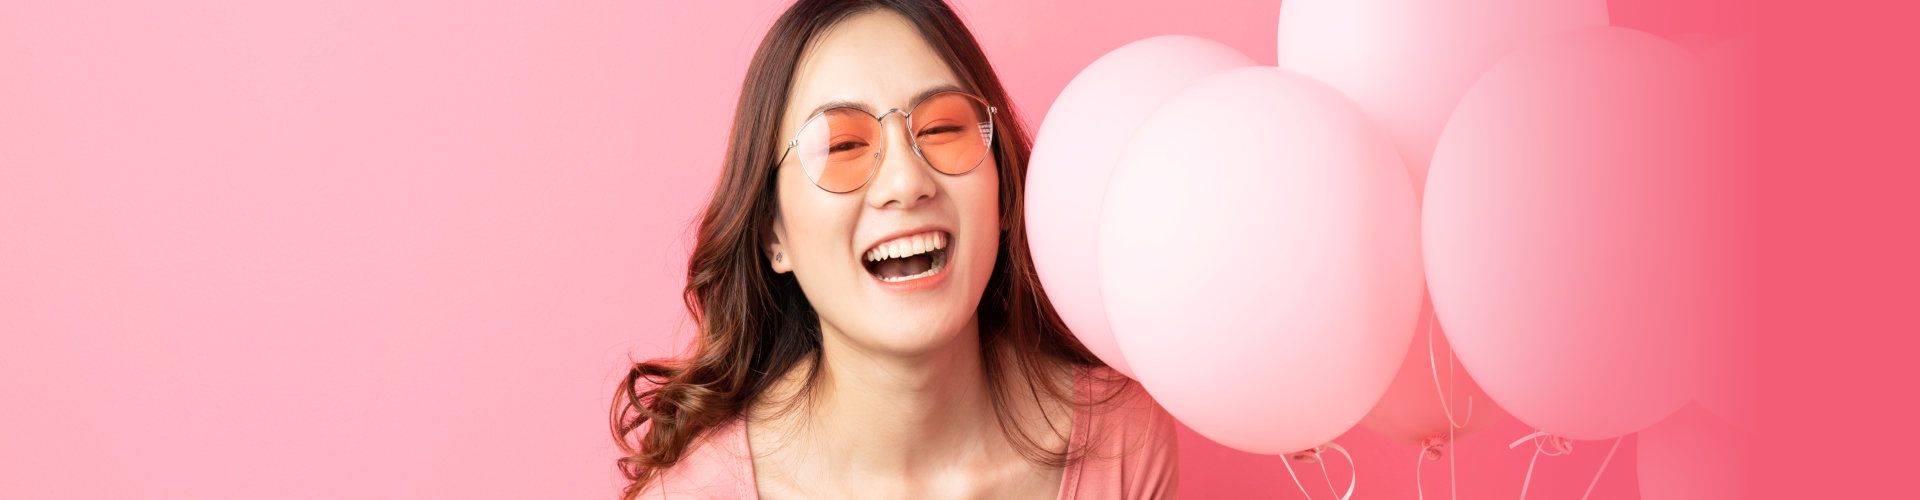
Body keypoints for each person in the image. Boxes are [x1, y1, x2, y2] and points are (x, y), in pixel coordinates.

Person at [612, 1, 1178, 498]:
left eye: (941, 129)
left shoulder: (1120, 438)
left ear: (1003, 194)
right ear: (772, 235)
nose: (907, 182)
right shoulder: (694, 493)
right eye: (843, 144)